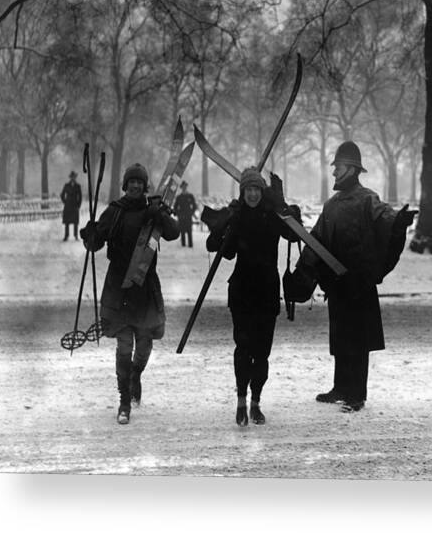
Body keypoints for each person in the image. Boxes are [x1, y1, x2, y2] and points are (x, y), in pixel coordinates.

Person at [294, 141, 417, 413]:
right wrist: (302, 272)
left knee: (358, 340)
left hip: (359, 281)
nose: (334, 171)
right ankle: (340, 387)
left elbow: (385, 216)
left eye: (337, 166)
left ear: (350, 168)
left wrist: (398, 221)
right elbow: (317, 239)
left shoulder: (367, 199)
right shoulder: (331, 205)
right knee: (340, 336)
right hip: (337, 282)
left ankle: (356, 393)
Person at [80, 163, 180, 425]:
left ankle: (135, 375)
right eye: (131, 182)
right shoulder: (115, 212)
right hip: (119, 287)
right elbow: (96, 242)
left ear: (144, 186)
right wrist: (90, 234)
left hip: (145, 287)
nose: (135, 186)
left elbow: (173, 232)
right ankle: (124, 401)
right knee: (124, 346)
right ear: (125, 185)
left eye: (140, 182)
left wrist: (159, 214)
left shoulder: (153, 210)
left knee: (144, 344)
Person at [204, 168, 301, 427]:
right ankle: (240, 401)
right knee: (243, 349)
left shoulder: (273, 216)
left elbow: (294, 234)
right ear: (243, 192)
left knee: (262, 352)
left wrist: (280, 201)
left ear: (262, 192)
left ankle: (256, 402)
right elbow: (224, 251)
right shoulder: (238, 217)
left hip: (267, 292)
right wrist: (222, 226)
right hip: (242, 292)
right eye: (248, 190)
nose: (253, 194)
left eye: (257, 189)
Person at [173, 180, 197, 248]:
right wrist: (178, 214)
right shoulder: (179, 197)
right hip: (181, 217)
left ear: (186, 187)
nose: (184, 188)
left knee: (189, 232)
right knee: (182, 232)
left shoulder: (190, 196)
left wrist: (191, 213)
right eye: (183, 186)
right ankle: (183, 245)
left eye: (185, 186)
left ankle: (190, 245)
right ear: (181, 187)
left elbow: (194, 206)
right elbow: (175, 207)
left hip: (188, 217)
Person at [60, 170, 82, 241]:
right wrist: (65, 202)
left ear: (75, 178)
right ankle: (66, 235)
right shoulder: (66, 185)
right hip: (68, 205)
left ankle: (76, 235)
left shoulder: (78, 186)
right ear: (70, 178)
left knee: (75, 221)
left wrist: (78, 205)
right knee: (67, 221)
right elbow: (62, 195)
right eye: (72, 177)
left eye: (74, 177)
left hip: (75, 205)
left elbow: (80, 196)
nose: (73, 178)